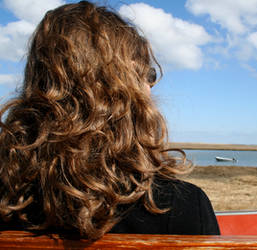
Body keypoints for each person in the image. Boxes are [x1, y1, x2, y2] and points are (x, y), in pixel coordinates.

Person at [0, 1, 219, 240]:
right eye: (147, 74)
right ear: (124, 90)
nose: (151, 86)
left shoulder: (9, 197)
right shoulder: (178, 207)